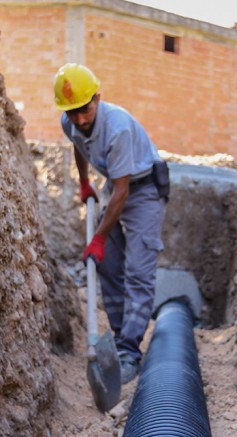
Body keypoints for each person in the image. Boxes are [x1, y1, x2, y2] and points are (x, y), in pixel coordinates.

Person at [53, 63, 167, 384]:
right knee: (107, 263)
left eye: (84, 110)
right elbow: (80, 145)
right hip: (115, 184)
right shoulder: (70, 121)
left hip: (143, 187)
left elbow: (122, 191)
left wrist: (99, 238)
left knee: (138, 269)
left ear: (97, 99)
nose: (79, 119)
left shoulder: (118, 129)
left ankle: (131, 350)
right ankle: (120, 336)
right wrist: (84, 181)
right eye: (72, 112)